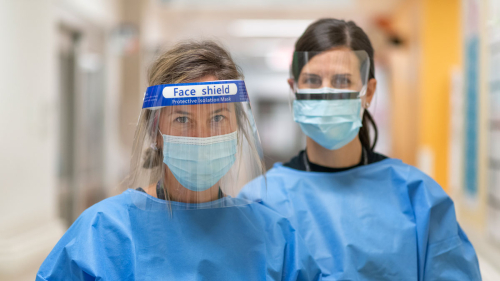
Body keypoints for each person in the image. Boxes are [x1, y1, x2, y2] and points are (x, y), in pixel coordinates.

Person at [36, 41, 322, 281]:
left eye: (218, 118)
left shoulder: (273, 236)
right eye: (183, 118)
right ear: (155, 132)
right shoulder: (103, 234)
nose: (202, 136)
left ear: (237, 128)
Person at [239, 19, 481, 280]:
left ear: (369, 91)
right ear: (294, 89)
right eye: (312, 80)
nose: (326, 92)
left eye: (342, 80)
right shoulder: (260, 201)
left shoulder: (417, 198)